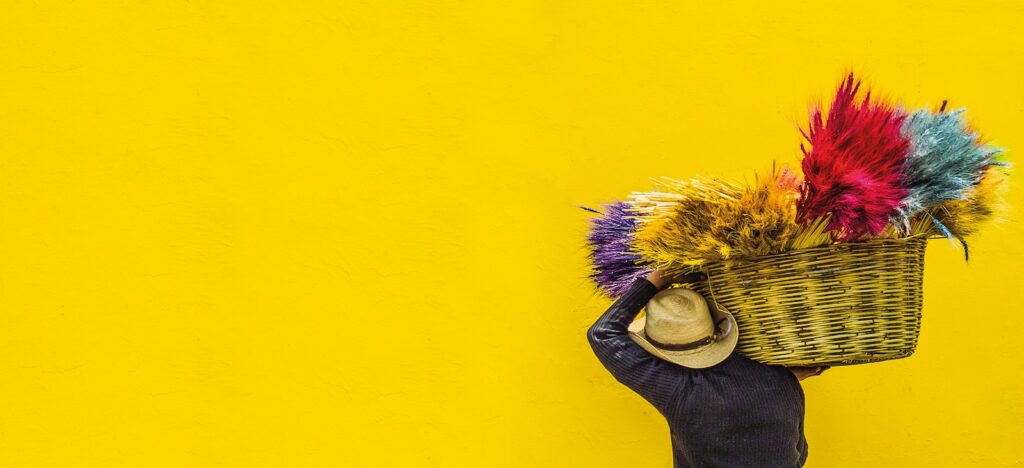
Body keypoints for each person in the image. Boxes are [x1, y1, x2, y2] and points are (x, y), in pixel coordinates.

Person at [586, 269, 828, 467]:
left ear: (664, 353)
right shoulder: (783, 381)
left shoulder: (679, 392)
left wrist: (660, 277)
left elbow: (602, 334)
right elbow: (799, 454)